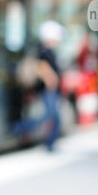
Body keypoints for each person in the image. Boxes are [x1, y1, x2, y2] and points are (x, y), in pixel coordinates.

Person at [37, 21, 63, 152]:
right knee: (52, 116)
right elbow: (42, 68)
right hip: (49, 90)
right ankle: (49, 144)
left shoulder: (49, 51)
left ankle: (50, 143)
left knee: (52, 116)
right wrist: (51, 81)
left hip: (52, 90)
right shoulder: (45, 52)